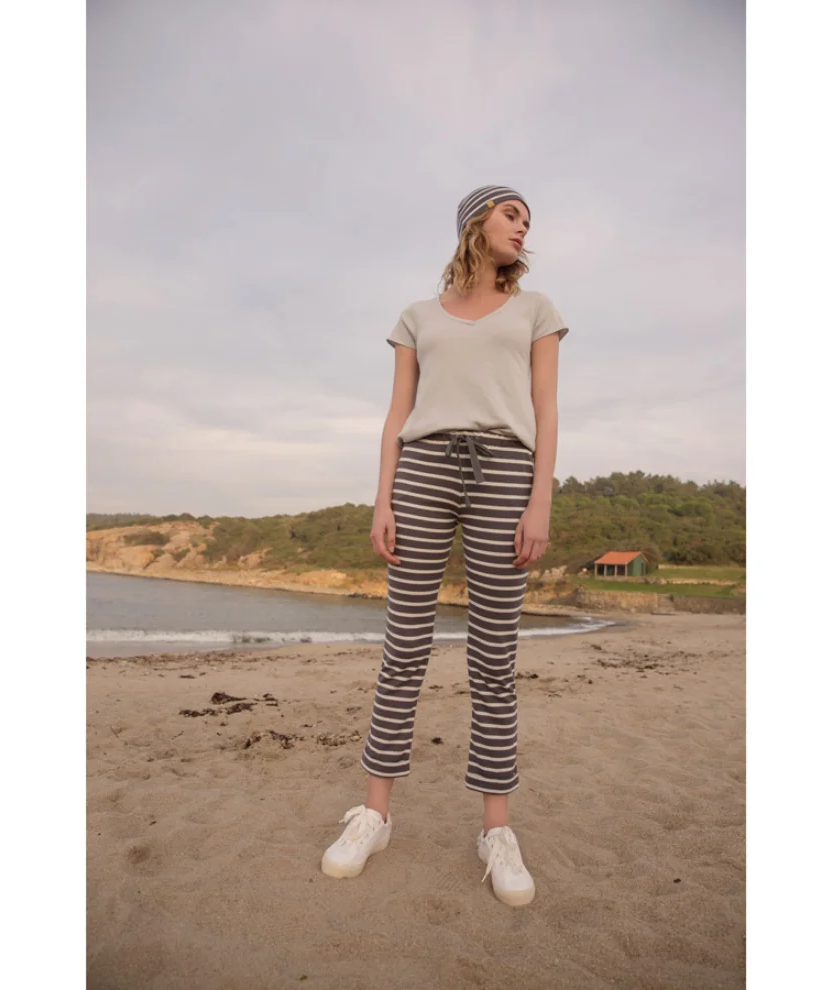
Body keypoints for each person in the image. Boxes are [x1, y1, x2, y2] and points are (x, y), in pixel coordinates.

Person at [320, 185, 568, 908]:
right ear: (474, 223)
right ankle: (374, 816)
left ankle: (496, 831)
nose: (523, 227)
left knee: (494, 658)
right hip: (423, 468)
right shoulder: (417, 317)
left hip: (506, 468)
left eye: (527, 220)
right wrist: (383, 497)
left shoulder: (536, 309)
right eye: (511, 214)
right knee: (403, 648)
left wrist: (540, 500)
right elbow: (398, 410)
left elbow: (546, 408)